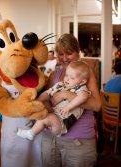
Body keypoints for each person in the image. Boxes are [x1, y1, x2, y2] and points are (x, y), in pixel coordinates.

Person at [41, 33, 101, 167]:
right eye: (61, 54)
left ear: (78, 52)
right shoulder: (54, 75)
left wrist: (66, 94)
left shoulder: (86, 73)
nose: (64, 58)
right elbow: (46, 98)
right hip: (50, 138)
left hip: (77, 141)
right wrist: (48, 109)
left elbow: (97, 105)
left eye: (69, 53)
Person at [17, 61, 91, 140]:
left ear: (82, 81)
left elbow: (83, 97)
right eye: (66, 75)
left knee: (47, 117)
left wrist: (68, 107)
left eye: (72, 78)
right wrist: (38, 101)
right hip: (53, 114)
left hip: (62, 123)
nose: (67, 79)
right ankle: (32, 120)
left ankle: (31, 134)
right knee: (41, 106)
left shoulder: (81, 89)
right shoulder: (60, 85)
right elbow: (47, 92)